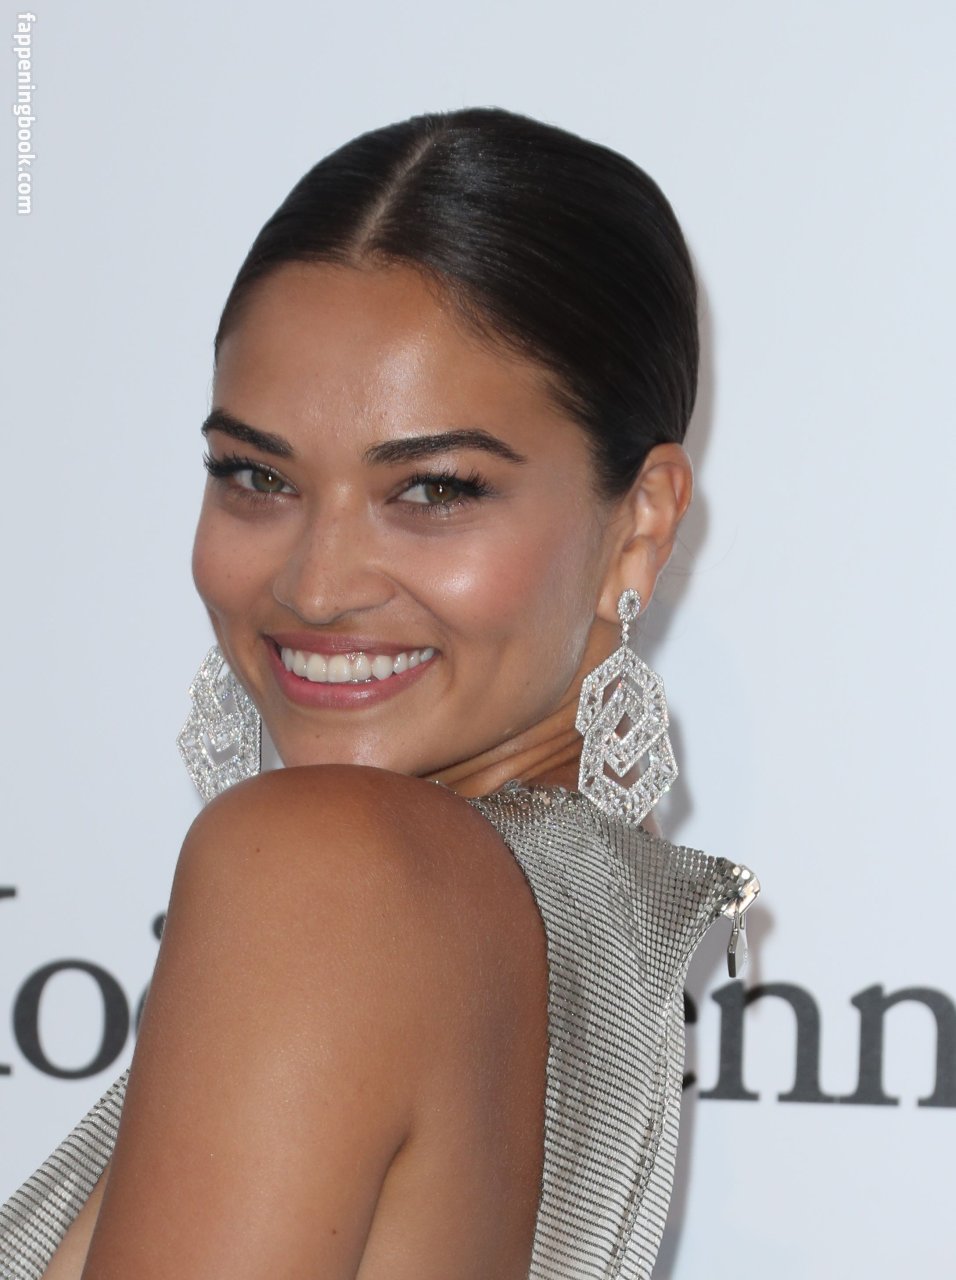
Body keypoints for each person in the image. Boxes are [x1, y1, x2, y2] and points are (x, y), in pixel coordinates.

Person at [0, 107, 757, 1279]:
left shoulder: (333, 866)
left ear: (641, 521)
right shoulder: (594, 920)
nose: (316, 583)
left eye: (435, 489)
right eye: (255, 475)